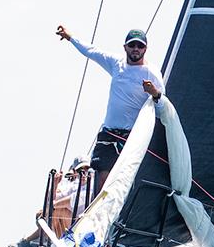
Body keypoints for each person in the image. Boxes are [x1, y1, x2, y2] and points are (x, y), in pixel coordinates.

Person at [56, 25, 165, 193]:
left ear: (145, 48)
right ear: (125, 47)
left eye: (140, 46)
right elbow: (92, 51)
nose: (136, 49)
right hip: (108, 133)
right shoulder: (116, 63)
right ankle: (98, 217)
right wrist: (70, 37)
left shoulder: (152, 73)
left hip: (132, 137)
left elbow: (163, 106)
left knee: (125, 181)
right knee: (102, 178)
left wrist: (154, 93)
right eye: (132, 45)